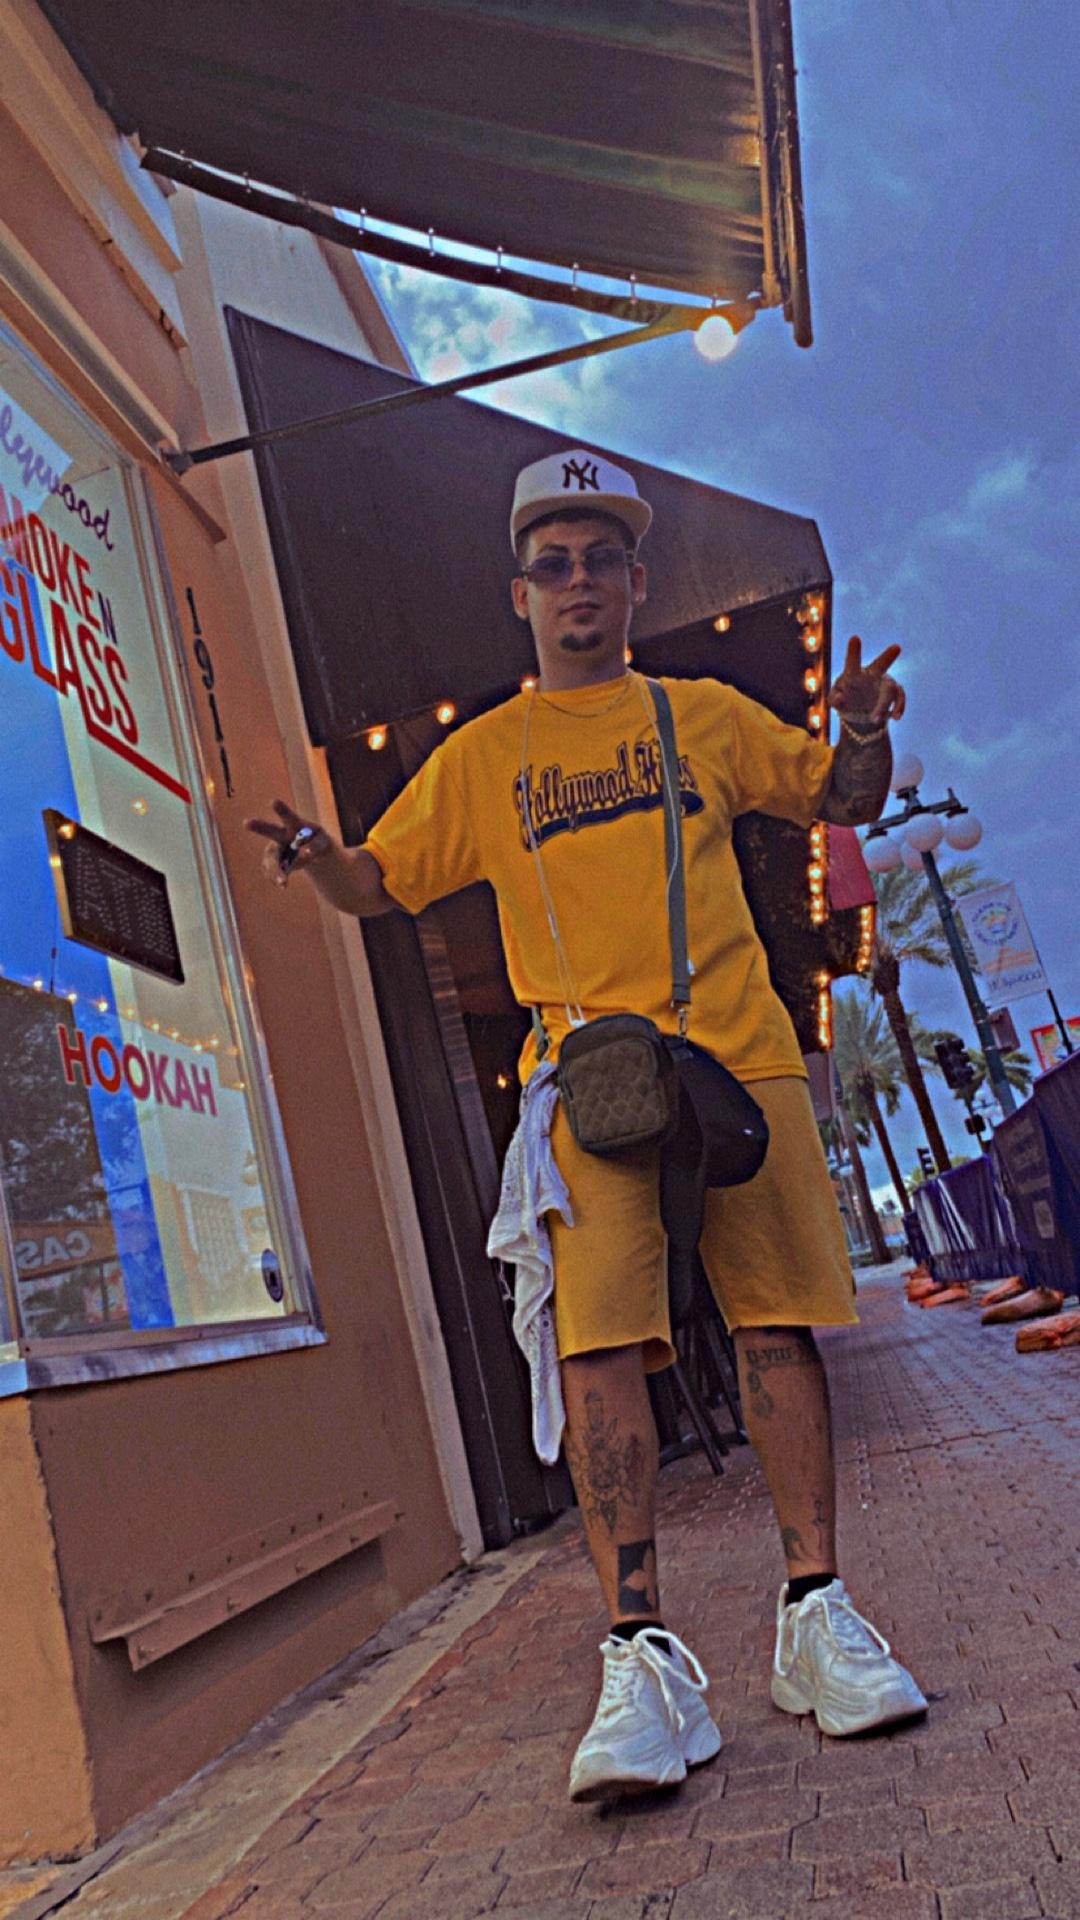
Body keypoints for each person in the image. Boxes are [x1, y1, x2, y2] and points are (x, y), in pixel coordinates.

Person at [247, 448, 926, 1803]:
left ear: (635, 581)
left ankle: (816, 1614)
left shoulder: (702, 717)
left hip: (740, 1060)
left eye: (600, 559)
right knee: (601, 1350)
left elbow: (843, 798)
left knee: (779, 1326)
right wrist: (320, 861)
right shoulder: (482, 756)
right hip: (590, 1084)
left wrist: (860, 728)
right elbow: (382, 881)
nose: (577, 583)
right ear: (521, 594)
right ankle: (641, 1654)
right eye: (551, 564)